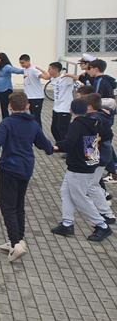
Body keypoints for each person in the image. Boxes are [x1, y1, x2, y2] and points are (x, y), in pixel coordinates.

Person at [0, 92, 54, 261]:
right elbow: (44, 145)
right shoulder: (33, 124)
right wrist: (53, 148)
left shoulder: (7, 123)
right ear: (28, 106)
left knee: (8, 207)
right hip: (26, 169)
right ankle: (18, 240)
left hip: (9, 169)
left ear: (9, 107)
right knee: (19, 205)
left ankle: (15, 244)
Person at [51, 98, 113, 242]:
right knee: (65, 191)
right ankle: (67, 223)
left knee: (79, 197)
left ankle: (102, 225)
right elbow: (108, 135)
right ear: (86, 109)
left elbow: (68, 143)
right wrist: (91, 147)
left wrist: (54, 147)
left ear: (71, 110)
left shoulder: (76, 124)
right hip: (89, 162)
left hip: (78, 166)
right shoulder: (95, 121)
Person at [42, 62, 75, 142]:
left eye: (50, 69)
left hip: (65, 108)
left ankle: (67, 148)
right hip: (56, 108)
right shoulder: (53, 78)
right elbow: (45, 76)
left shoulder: (66, 78)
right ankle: (60, 145)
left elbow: (77, 78)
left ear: (55, 70)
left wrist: (70, 75)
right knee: (54, 129)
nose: (48, 71)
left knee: (63, 129)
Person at [18, 54, 46, 128]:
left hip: (36, 97)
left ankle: (39, 136)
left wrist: (42, 70)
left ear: (28, 61)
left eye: (23, 63)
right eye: (20, 63)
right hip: (28, 97)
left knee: (36, 117)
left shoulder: (34, 70)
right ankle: (33, 133)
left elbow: (47, 77)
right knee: (30, 116)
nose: (21, 65)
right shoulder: (25, 70)